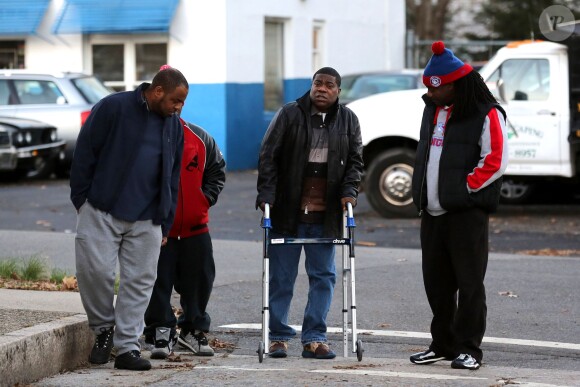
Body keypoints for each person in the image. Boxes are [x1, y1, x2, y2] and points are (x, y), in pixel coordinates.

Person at [70, 67, 189, 371]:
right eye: (176, 100)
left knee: (139, 284)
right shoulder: (113, 107)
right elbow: (85, 151)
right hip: (101, 208)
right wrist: (82, 200)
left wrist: (166, 219)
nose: (179, 108)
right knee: (94, 273)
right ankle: (103, 329)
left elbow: (173, 176)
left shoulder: (174, 126)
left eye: (182, 103)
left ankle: (127, 349)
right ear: (158, 91)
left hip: (148, 216)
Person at [410, 41, 508, 370]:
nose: (431, 94)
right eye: (429, 88)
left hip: (466, 213)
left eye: (437, 88)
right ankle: (443, 344)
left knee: (469, 284)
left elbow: (494, 160)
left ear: (456, 84)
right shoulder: (432, 109)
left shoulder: (487, 112)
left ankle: (469, 348)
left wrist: (463, 189)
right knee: (436, 284)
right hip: (433, 213)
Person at [256, 67, 363, 359]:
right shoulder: (289, 114)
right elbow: (268, 156)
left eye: (329, 85)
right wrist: (266, 195)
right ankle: (277, 337)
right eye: (318, 83)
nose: (322, 88)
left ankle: (314, 338)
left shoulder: (348, 119)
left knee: (323, 276)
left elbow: (355, 161)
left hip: (325, 215)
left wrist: (350, 191)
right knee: (281, 278)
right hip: (287, 211)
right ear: (312, 86)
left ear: (338, 91)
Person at [143, 113, 226, 359]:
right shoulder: (145, 138)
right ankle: (160, 330)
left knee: (200, 279)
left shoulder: (199, 137)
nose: (175, 106)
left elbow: (217, 170)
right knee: (157, 280)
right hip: (158, 228)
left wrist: (204, 199)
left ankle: (193, 327)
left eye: (180, 100)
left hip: (195, 226)